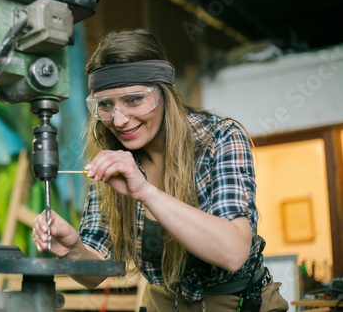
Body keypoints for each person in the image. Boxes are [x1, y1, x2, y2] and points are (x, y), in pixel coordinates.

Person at [32, 29, 288, 312]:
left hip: (236, 303)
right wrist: (73, 250)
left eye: (133, 100)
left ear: (163, 92)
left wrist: (144, 191)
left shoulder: (219, 139)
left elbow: (233, 252)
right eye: (105, 105)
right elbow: (95, 274)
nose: (119, 120)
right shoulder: (112, 158)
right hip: (163, 303)